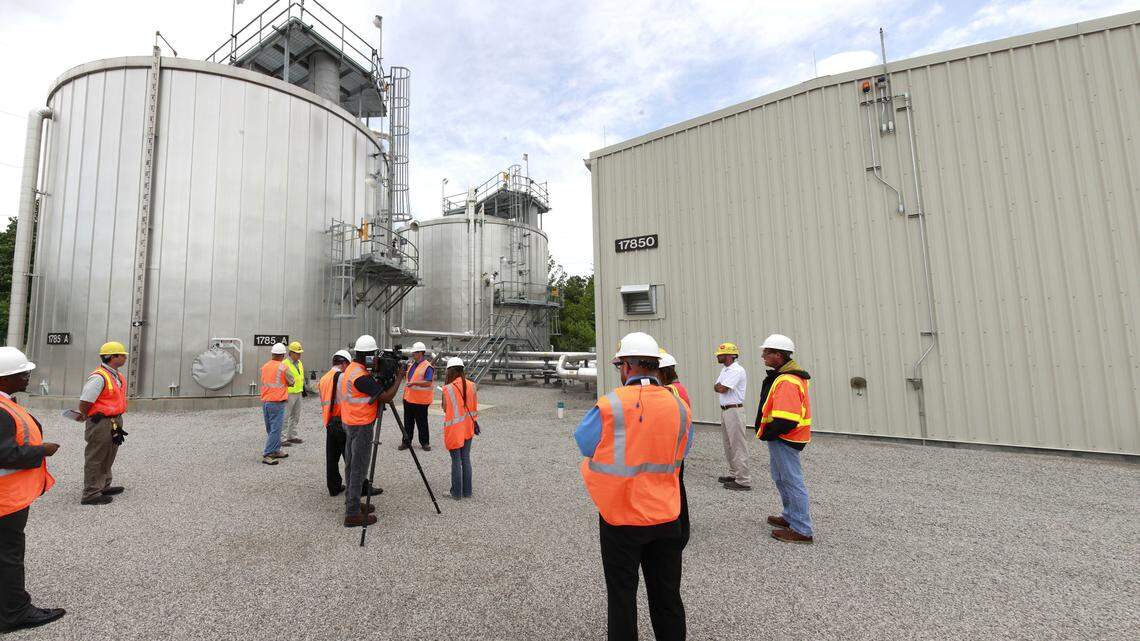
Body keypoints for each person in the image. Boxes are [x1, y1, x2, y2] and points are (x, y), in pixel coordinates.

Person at [575, 332, 693, 641]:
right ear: (656, 366)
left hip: (621, 517)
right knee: (667, 598)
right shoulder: (678, 405)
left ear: (626, 367)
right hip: (667, 515)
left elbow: (585, 443)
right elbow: (683, 449)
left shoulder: (612, 404)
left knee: (622, 597)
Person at [0, 346, 65, 633]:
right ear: (3, 379)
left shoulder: (5, 404)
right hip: (5, 500)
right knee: (8, 556)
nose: (27, 375)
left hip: (7, 497)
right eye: (21, 373)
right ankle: (14, 613)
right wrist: (42, 450)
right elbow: (6, 454)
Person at [754, 334, 814, 544]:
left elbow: (786, 419)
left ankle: (802, 529)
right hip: (783, 438)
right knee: (781, 478)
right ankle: (790, 517)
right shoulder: (786, 376)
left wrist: (768, 432)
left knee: (791, 481)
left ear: (778, 355)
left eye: (766, 352)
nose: (763, 356)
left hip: (785, 438)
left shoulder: (787, 380)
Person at [337, 335, 402, 527]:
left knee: (351, 465)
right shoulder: (361, 377)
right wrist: (399, 377)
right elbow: (387, 397)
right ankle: (352, 513)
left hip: (349, 422)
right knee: (359, 467)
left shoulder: (352, 369)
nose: (375, 359)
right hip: (361, 425)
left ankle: (353, 501)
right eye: (372, 356)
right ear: (366, 355)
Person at [73, 341, 128, 505]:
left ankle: (103, 485)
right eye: (122, 354)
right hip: (101, 421)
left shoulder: (115, 375)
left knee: (110, 453)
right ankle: (91, 493)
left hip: (114, 420)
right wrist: (85, 414)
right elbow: (85, 401)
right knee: (96, 456)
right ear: (112, 357)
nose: (125, 357)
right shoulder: (98, 377)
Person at [713, 342, 750, 491]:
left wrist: (720, 387)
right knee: (729, 445)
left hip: (734, 410)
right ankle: (735, 473)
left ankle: (743, 480)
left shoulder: (736, 370)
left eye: (720, 354)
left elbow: (721, 388)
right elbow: (717, 387)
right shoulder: (726, 369)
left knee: (737, 445)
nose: (718, 356)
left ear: (730, 355)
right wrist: (719, 387)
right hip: (727, 410)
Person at [440, 357, 477, 499]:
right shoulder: (472, 385)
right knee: (466, 458)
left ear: (449, 371)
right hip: (468, 427)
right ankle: (467, 492)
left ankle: (456, 493)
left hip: (455, 429)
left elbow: (445, 408)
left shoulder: (447, 389)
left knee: (456, 460)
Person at [260, 343, 294, 465]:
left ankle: (276, 449)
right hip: (277, 402)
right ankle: (268, 454)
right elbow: (291, 381)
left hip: (266, 402)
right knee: (276, 429)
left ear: (273, 354)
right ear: (283, 355)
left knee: (271, 428)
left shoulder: (265, 366)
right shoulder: (283, 367)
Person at [400, 341, 434, 451]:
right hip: (409, 399)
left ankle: (425, 442)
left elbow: (428, 382)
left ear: (421, 353)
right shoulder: (412, 365)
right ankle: (406, 442)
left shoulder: (427, 366)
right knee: (408, 423)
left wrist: (415, 383)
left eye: (415, 352)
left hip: (421, 401)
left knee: (422, 422)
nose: (413, 354)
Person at [281, 340, 309, 447]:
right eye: (298, 353)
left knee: (296, 416)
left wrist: (303, 389)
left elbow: (299, 377)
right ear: (291, 353)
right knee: (285, 416)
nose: (299, 355)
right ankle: (282, 438)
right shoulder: (285, 364)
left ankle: (292, 436)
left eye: (300, 353)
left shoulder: (299, 363)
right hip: (288, 393)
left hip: (298, 392)